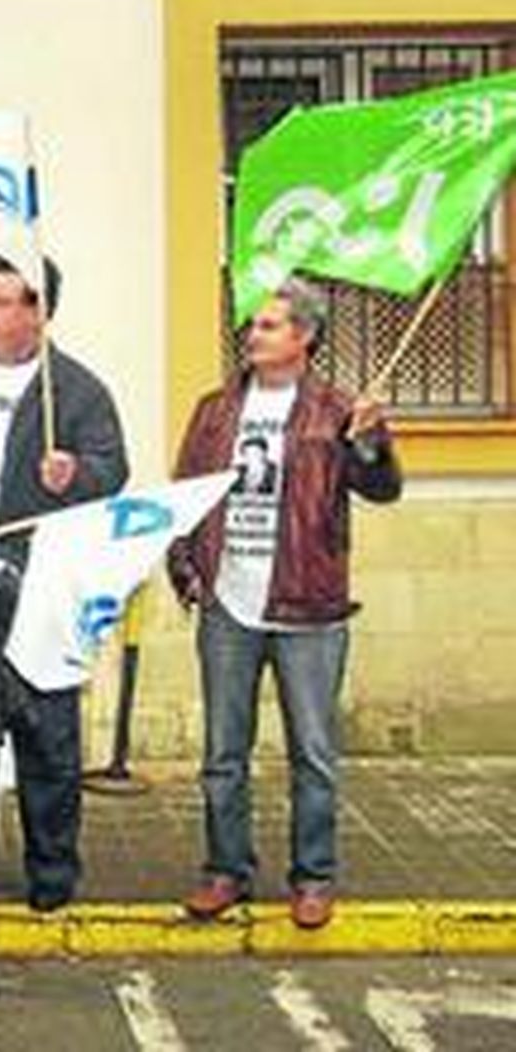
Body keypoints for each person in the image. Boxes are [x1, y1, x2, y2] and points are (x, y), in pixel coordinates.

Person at [167, 277, 402, 930]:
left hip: (309, 608)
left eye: (269, 325)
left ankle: (314, 877)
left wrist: (369, 442)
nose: (253, 334)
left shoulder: (338, 409)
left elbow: (382, 488)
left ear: (304, 336)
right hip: (228, 607)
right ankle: (226, 871)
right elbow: (185, 495)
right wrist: (188, 573)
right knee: (223, 754)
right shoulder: (215, 409)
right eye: (253, 324)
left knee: (314, 754)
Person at [0, 253, 128, 911]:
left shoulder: (76, 390)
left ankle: (51, 872)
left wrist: (76, 473)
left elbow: (113, 469)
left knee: (45, 733)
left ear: (38, 313)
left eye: (2, 301)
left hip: (36, 584)